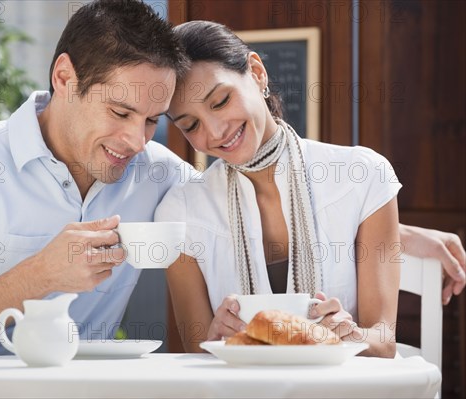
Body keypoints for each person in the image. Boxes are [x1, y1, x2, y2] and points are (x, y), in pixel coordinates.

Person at [0, 0, 191, 355]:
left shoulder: (158, 173)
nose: (138, 141)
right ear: (64, 78)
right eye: (120, 112)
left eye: (153, 120)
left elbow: (238, 196)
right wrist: (39, 275)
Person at [156, 20, 401, 357]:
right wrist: (213, 339)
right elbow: (196, 358)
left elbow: (383, 343)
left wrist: (347, 334)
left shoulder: (363, 176)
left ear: (257, 73)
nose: (214, 132)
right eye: (191, 125)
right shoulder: (180, 211)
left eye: (220, 101)